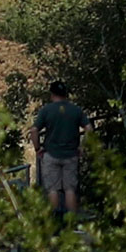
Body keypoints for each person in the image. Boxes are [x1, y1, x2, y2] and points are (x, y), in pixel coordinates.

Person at [31, 80, 86, 215]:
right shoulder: (76, 110)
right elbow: (89, 128)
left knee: (52, 189)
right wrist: (83, 147)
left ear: (52, 94)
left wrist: (37, 148)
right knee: (70, 189)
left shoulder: (46, 110)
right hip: (71, 154)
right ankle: (71, 222)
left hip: (51, 154)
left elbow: (34, 130)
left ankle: (54, 222)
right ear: (66, 94)